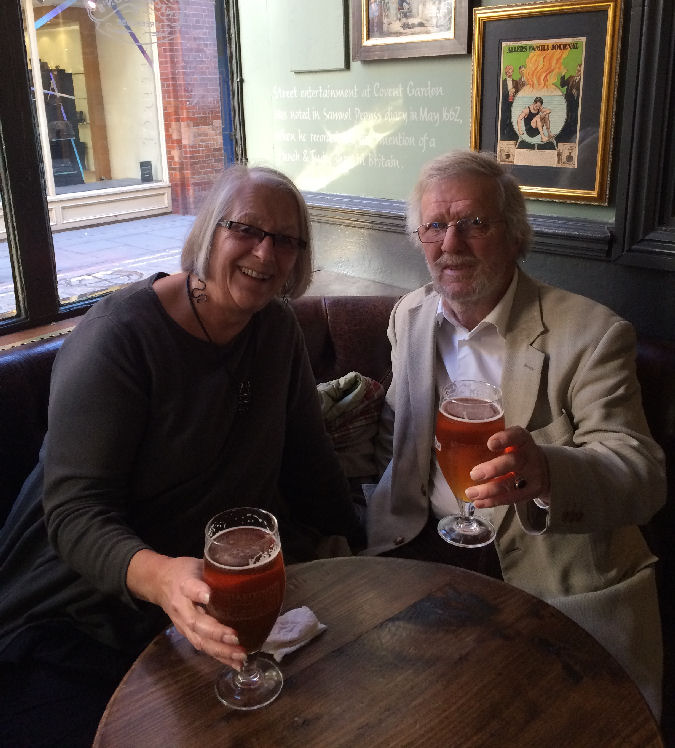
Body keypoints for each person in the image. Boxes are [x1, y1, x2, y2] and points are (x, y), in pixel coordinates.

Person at [0, 164, 363, 746]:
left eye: (286, 240)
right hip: (80, 608)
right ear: (208, 232)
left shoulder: (276, 329)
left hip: (213, 596)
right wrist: (162, 577)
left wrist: (360, 547)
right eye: (246, 229)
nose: (265, 253)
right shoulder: (119, 337)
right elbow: (73, 513)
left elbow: (308, 457)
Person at [365, 151, 666, 717]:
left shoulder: (593, 333)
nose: (451, 243)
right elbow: (393, 435)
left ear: (514, 234)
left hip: (551, 574)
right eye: (435, 225)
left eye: (474, 223)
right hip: (425, 550)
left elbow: (642, 474)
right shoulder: (409, 316)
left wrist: (548, 472)